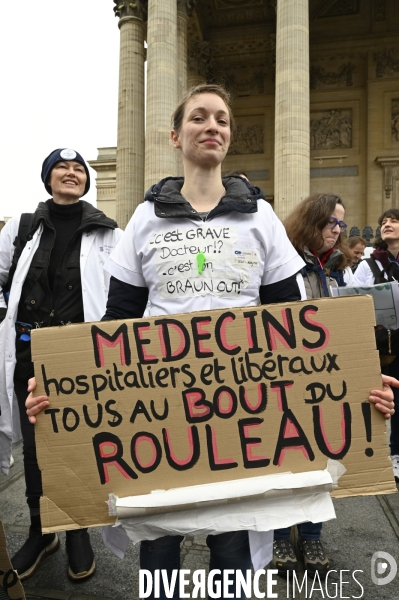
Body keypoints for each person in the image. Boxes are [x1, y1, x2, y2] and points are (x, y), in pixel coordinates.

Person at [24, 99, 395, 597]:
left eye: (221, 119)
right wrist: (63, 392)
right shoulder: (144, 219)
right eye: (198, 117)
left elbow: (297, 325)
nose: (211, 126)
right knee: (159, 552)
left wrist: (355, 385)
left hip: (243, 418)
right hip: (159, 416)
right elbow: (116, 325)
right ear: (176, 136)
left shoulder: (260, 218)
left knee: (233, 552)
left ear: (229, 137)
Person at [0, 148, 122, 581]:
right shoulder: (22, 226)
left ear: (87, 181)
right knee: (35, 449)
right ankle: (41, 528)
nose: (70, 173)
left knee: (80, 443)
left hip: (78, 356)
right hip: (29, 351)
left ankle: (78, 529)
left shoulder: (110, 233)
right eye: (61, 168)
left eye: (77, 169)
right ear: (47, 178)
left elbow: (124, 294)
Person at [271, 194, 373, 576]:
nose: (338, 230)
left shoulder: (338, 267)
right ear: (312, 221)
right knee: (285, 456)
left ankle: (312, 534)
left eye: (342, 224)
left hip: (328, 375)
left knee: (324, 455)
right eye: (332, 222)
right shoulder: (283, 262)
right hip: (289, 373)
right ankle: (280, 532)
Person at [354, 208, 399, 482]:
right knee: (379, 399)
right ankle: (378, 453)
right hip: (381, 344)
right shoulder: (368, 264)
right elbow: (354, 300)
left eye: (394, 221)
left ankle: (396, 452)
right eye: (383, 222)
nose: (387, 225)